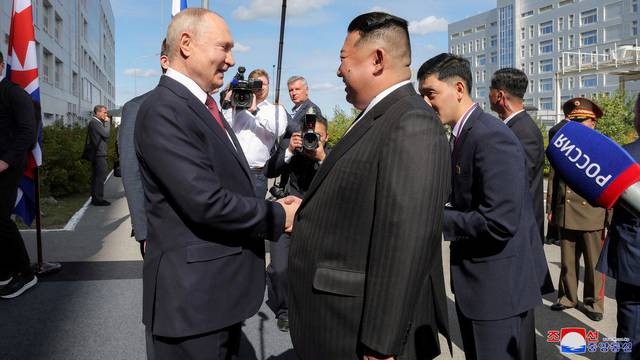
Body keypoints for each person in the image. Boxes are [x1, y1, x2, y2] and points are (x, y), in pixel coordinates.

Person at [134, 9, 297, 359]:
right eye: (223, 47)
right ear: (186, 44)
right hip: (192, 306)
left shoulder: (202, 106)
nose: (231, 59)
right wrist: (276, 216)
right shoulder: (164, 109)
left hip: (216, 298)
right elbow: (205, 201)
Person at [288, 12, 451, 360]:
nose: (337, 71)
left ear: (377, 60)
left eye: (343, 59)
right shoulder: (376, 116)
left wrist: (380, 344)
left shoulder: (412, 123)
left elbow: (406, 239)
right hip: (336, 322)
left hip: (360, 333)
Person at [419, 53, 550, 359]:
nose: (426, 103)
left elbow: (499, 222)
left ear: (459, 88)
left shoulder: (490, 136)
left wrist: (436, 218)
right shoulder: (465, 133)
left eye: (431, 94)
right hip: (482, 289)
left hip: (498, 292)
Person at [265, 112, 330, 332]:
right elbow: (270, 170)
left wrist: (321, 157)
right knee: (279, 268)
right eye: (307, 136)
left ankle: (311, 308)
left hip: (319, 222)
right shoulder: (293, 151)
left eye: (316, 136)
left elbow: (342, 182)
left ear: (326, 137)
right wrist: (290, 150)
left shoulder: (332, 156)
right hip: (287, 218)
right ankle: (284, 310)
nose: (311, 141)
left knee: (313, 271)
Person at [548, 97, 608, 322]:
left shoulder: (602, 146)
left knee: (594, 264)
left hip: (593, 213)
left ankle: (594, 302)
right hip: (567, 210)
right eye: (575, 120)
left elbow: (610, 184)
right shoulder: (564, 146)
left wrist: (609, 217)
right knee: (567, 260)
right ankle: (567, 297)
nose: (579, 124)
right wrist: (552, 208)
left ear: (593, 122)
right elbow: (554, 178)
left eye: (583, 120)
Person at [597, 93, 640, 359]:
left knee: (630, 334)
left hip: (634, 263)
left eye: (636, 112)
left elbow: (604, 199)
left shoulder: (627, 158)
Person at [119, 40, 169, 258]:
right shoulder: (137, 108)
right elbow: (132, 174)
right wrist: (144, 231)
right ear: (165, 61)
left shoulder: (208, 108)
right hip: (161, 231)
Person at [489, 68, 545, 243]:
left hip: (521, 233)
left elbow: (518, 185)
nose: (488, 95)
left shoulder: (523, 132)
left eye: (490, 90)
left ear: (500, 95)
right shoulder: (514, 127)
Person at [0, 50, 38, 299]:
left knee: (0, 221)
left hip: (6, 168)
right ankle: (5, 271)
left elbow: (28, 132)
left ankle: (25, 274)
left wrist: (4, 161)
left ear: (2, 65)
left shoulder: (13, 93)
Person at [221, 69, 288, 199]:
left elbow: (279, 130)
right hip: (233, 169)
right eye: (257, 83)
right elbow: (224, 127)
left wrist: (255, 111)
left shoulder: (275, 109)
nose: (261, 87)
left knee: (255, 215)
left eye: (264, 83)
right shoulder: (237, 106)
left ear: (269, 85)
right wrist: (229, 103)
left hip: (256, 174)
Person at [266, 75, 323, 198]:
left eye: (297, 89)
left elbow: (302, 132)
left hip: (300, 174)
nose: (293, 93)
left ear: (306, 90)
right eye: (290, 90)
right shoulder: (296, 110)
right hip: (287, 171)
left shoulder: (312, 109)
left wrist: (282, 112)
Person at [87, 104, 111, 206]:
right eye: (104, 112)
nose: (106, 114)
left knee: (97, 176)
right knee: (100, 176)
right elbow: (106, 134)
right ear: (98, 113)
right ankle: (98, 199)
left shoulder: (95, 122)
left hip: (98, 153)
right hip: (99, 154)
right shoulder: (95, 122)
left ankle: (95, 198)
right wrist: (107, 123)